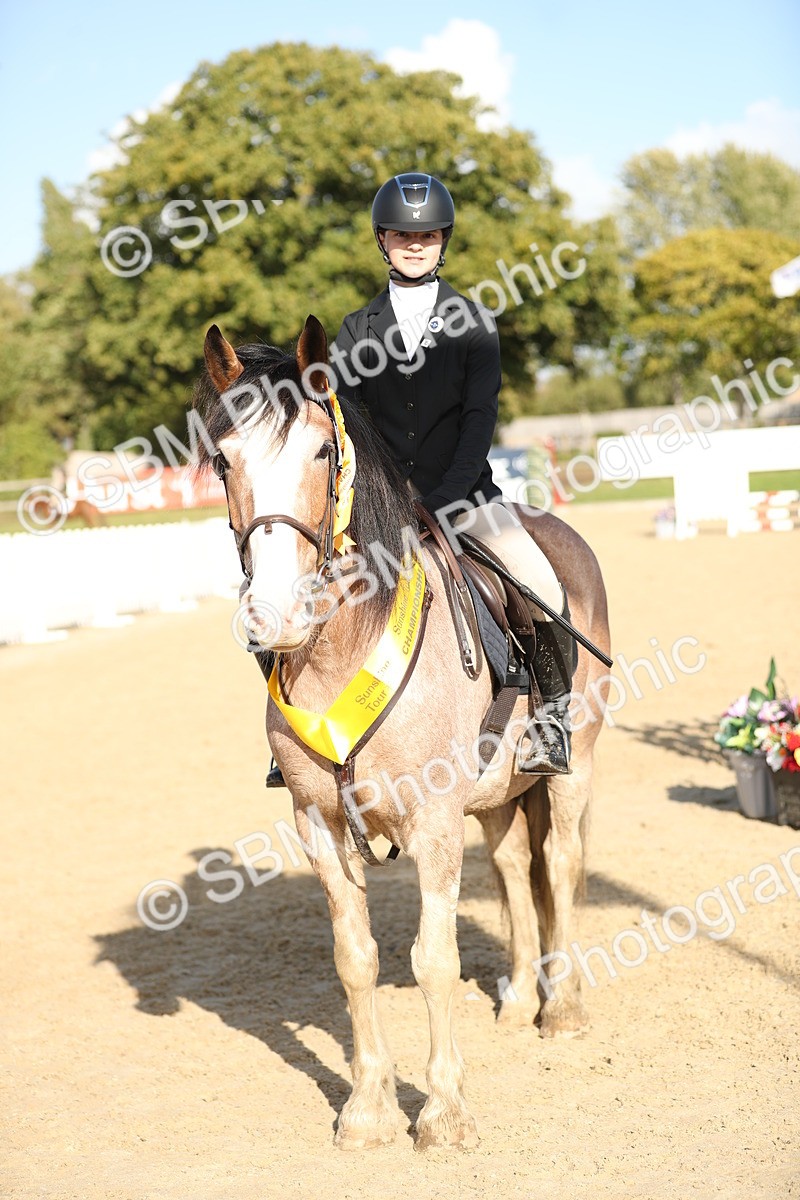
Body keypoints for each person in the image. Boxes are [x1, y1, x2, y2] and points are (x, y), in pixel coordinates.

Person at [264, 171, 575, 786]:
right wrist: (373, 500)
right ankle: (292, 741)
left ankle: (550, 721)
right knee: (284, 592)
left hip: (465, 499)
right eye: (403, 234)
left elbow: (479, 419)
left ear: (443, 241)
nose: (415, 244)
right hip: (376, 507)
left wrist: (445, 497)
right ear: (382, 240)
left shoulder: (473, 322)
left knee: (541, 585)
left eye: (427, 234)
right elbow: (346, 422)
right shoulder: (356, 329)